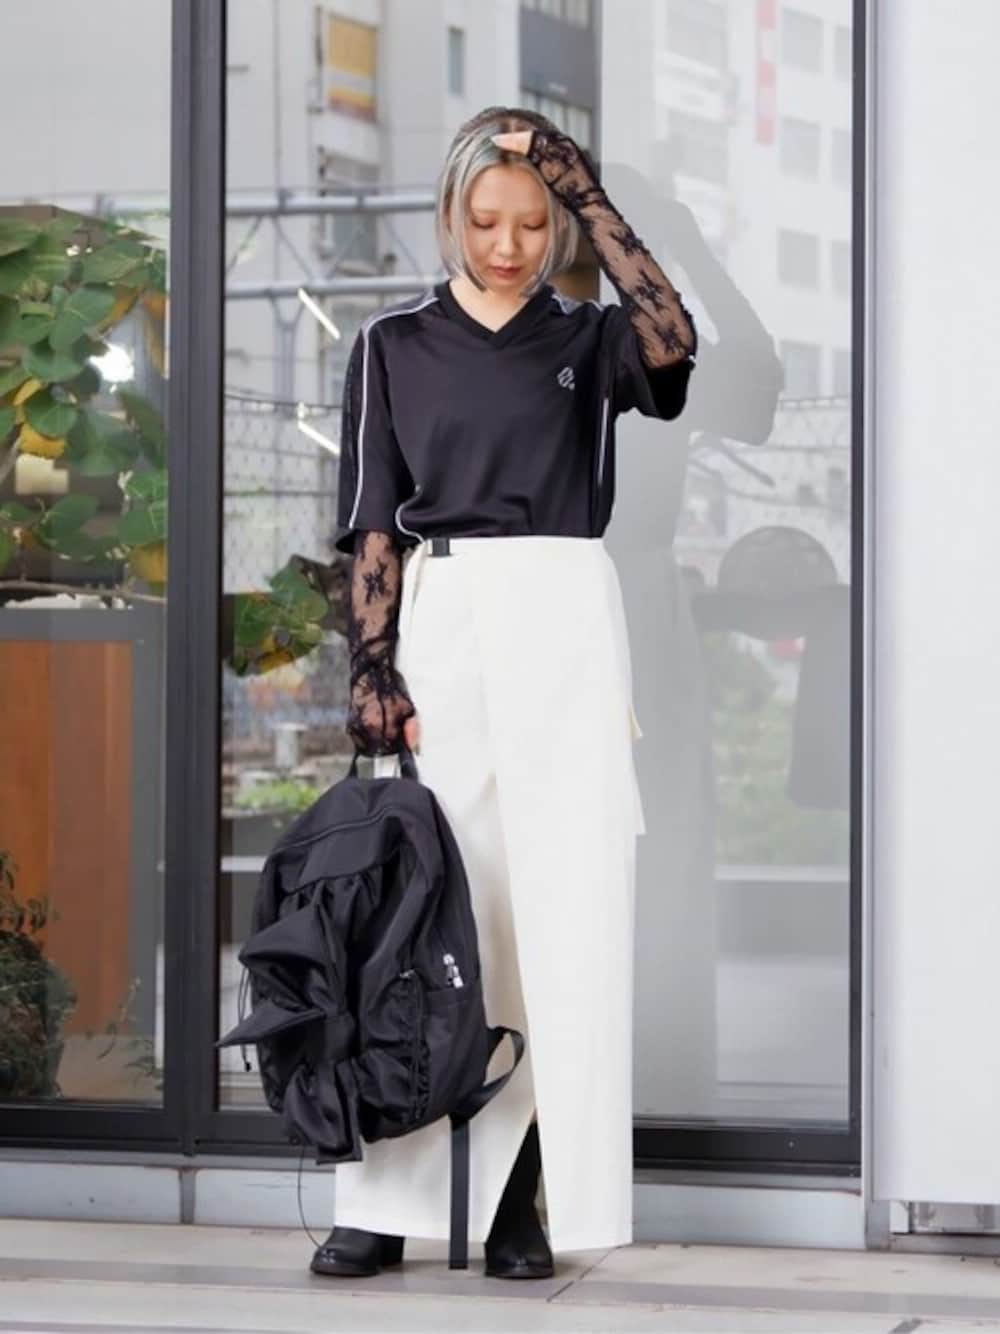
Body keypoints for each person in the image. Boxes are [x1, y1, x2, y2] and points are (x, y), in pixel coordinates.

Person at [313, 105, 697, 1281]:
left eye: (533, 222)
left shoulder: (590, 339)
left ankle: (525, 1198)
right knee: (420, 910)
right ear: (450, 215)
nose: (508, 245)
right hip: (447, 619)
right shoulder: (391, 344)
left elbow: (673, 337)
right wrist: (372, 666)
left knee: (558, 920)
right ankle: (381, 1196)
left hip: (567, 620)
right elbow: (374, 523)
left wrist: (590, 192)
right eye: (485, 220)